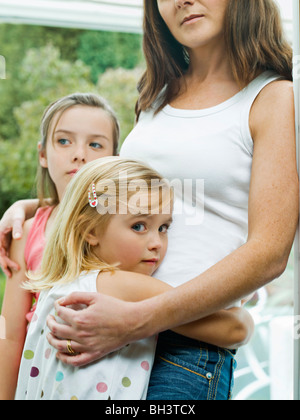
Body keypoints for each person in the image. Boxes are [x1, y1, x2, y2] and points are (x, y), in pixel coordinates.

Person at [0, 0, 298, 400]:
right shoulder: (156, 96)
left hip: (185, 347)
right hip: (112, 331)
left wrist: (137, 318)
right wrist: (32, 209)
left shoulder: (273, 97)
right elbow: (118, 195)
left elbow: (271, 251)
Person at [1, 157, 252, 400]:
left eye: (163, 228)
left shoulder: (57, 287)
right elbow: (236, 328)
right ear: (90, 231)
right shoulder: (118, 284)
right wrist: (239, 305)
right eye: (139, 226)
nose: (156, 243)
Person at [0, 92, 120, 398]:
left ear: (114, 158)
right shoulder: (26, 232)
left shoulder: (122, 229)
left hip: (106, 382)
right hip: (38, 379)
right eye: (64, 141)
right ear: (42, 154)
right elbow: (11, 335)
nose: (79, 154)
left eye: (95, 144)